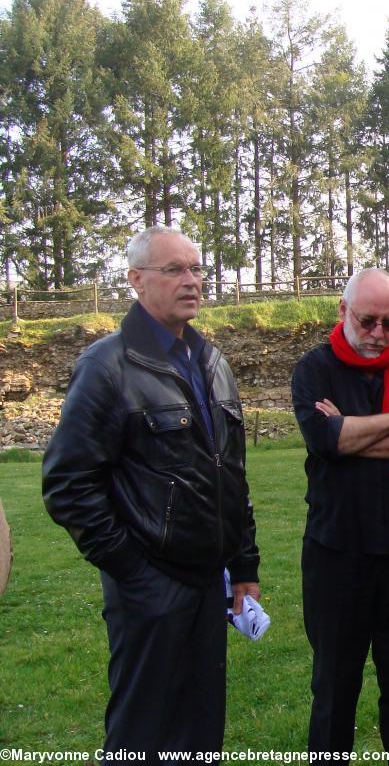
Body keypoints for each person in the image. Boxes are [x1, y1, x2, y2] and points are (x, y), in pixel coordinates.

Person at [42, 226, 260, 757]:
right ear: (137, 281)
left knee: (201, 732)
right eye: (175, 270)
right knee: (143, 734)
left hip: (210, 583)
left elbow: (230, 472)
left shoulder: (213, 363)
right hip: (150, 588)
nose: (193, 281)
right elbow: (68, 484)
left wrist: (245, 568)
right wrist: (135, 574)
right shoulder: (107, 366)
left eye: (198, 268)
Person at [291, 268, 389, 763]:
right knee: (335, 688)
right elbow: (324, 440)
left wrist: (351, 433)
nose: (380, 334)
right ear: (342, 312)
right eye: (368, 321)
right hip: (338, 550)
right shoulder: (313, 368)